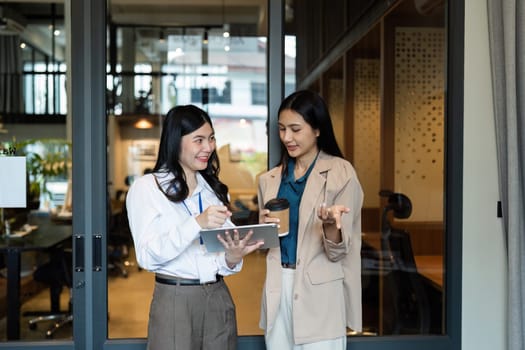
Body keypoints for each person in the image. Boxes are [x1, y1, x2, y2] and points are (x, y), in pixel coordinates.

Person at [126, 105, 263, 350]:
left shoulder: (212, 190)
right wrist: (196, 223)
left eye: (211, 139)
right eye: (198, 140)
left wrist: (232, 257)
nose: (208, 148)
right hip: (175, 300)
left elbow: (220, 259)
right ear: (175, 141)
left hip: (218, 296)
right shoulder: (147, 188)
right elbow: (147, 256)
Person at [258, 90, 364, 349]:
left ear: (317, 129)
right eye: (282, 129)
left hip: (321, 293)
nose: (286, 137)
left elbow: (340, 251)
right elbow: (266, 247)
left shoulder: (341, 173)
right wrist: (262, 230)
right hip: (277, 288)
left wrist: (330, 225)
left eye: (295, 129)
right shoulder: (269, 180)